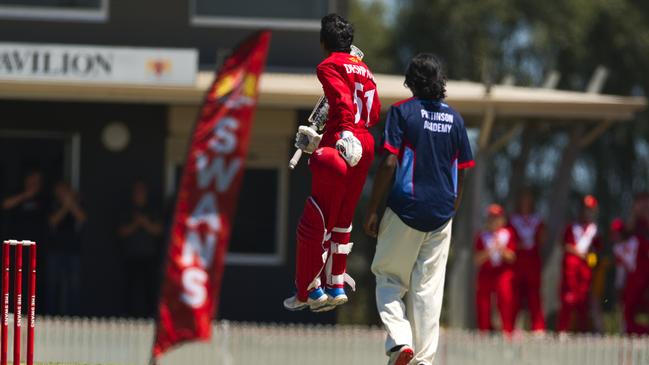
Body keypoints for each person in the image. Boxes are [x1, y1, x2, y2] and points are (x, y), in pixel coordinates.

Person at [364, 53, 474, 365]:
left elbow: (388, 163)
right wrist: (452, 207)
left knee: (388, 277)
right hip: (441, 213)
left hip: (405, 209)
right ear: (441, 83)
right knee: (428, 289)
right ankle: (424, 360)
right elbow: (462, 169)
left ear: (410, 81)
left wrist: (373, 209)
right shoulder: (455, 119)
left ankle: (400, 342)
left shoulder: (402, 112)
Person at [283, 13, 380, 312]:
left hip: (343, 140)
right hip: (364, 143)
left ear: (324, 42)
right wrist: (323, 136)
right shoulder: (364, 69)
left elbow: (340, 100)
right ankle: (336, 283)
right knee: (343, 220)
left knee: (315, 223)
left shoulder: (327, 65)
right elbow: (374, 111)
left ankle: (310, 290)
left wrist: (344, 132)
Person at [118, 181, 163, 317]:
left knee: (150, 287)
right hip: (131, 255)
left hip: (149, 255)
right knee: (130, 287)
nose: (139, 195)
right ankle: (128, 315)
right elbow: (122, 231)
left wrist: (145, 223)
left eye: (141, 192)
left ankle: (150, 315)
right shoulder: (127, 210)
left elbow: (159, 230)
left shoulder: (152, 210)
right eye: (137, 192)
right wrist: (136, 224)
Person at [557, 195, 600, 333]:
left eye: (591, 210)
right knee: (568, 300)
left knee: (583, 303)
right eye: (586, 209)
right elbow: (565, 245)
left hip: (585, 273)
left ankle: (584, 331)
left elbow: (595, 252)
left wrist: (591, 263)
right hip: (570, 271)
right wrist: (579, 254)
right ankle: (562, 330)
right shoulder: (572, 228)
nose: (587, 212)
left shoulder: (594, 231)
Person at [474, 204, 517, 335]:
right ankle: (484, 330)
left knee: (506, 298)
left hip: (502, 272)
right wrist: (489, 251)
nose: (494, 221)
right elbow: (476, 259)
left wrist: (501, 249)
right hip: (486, 273)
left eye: (497, 218)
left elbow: (512, 257)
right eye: (491, 218)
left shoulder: (508, 234)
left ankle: (507, 330)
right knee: (483, 301)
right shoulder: (482, 236)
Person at [47, 181, 87, 315]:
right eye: (60, 190)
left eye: (65, 190)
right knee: (53, 284)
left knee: (74, 285)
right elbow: (52, 221)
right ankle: (50, 314)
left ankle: (73, 315)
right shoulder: (53, 204)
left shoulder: (77, 202)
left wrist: (72, 204)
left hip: (73, 251)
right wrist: (65, 206)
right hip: (55, 249)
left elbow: (82, 218)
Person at [509, 189, 546, 333]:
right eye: (523, 199)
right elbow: (510, 240)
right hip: (518, 261)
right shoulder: (513, 220)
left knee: (534, 294)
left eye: (528, 199)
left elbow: (542, 238)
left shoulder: (537, 219)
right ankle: (512, 327)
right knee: (516, 294)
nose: (526, 202)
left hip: (532, 260)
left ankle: (538, 327)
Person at [612, 218, 649, 334]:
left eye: (617, 232)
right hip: (635, 282)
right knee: (629, 313)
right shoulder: (618, 248)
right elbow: (620, 273)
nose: (615, 235)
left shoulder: (637, 241)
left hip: (642, 279)